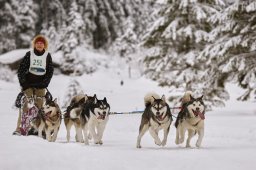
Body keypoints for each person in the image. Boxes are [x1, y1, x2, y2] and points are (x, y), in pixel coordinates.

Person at [13, 35, 54, 135]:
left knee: (39, 108)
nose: (39, 45)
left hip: (41, 86)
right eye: (38, 43)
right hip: (28, 85)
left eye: (41, 43)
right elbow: (21, 70)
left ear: (44, 45)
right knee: (26, 105)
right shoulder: (29, 54)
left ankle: (37, 129)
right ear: (34, 44)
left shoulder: (47, 56)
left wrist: (45, 83)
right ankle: (20, 128)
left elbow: (50, 71)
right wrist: (24, 84)